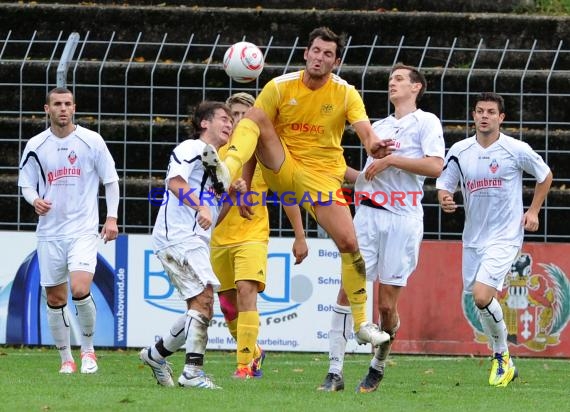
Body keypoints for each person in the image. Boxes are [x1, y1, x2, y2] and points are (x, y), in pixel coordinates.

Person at [201, 26, 391, 349]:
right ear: (306, 54)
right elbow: (253, 131)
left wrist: (373, 143)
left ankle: (361, 324)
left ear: (336, 61)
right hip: (283, 165)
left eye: (327, 54)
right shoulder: (278, 86)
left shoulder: (345, 93)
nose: (320, 57)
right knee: (258, 119)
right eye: (315, 51)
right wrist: (242, 183)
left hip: (322, 179)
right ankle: (225, 169)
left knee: (349, 242)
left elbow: (364, 130)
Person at [318, 65, 446, 392]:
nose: (392, 82)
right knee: (348, 289)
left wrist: (392, 160)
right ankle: (334, 372)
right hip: (368, 216)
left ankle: (378, 361)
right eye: (391, 78)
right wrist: (329, 167)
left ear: (416, 87)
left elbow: (435, 166)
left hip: (403, 220)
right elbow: (365, 178)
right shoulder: (377, 127)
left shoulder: (426, 122)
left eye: (400, 79)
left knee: (386, 307)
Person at [436, 92, 552, 387]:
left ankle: (500, 356)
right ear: (473, 116)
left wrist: (533, 211)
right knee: (480, 300)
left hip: (506, 235)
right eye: (479, 111)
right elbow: (445, 184)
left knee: (482, 295)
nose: (484, 116)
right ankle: (506, 361)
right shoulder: (460, 150)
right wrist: (445, 198)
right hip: (474, 238)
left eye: (490, 112)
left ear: (501, 118)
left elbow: (545, 174)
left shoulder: (515, 149)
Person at [139, 101, 244, 389]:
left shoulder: (215, 164)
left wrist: (231, 196)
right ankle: (192, 373)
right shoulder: (190, 148)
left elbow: (214, 216)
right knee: (204, 301)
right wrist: (200, 207)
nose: (229, 124)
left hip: (194, 239)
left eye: (231, 121)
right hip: (178, 236)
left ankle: (155, 355)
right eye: (223, 118)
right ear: (204, 123)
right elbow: (174, 182)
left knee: (200, 306)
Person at [18, 87, 120, 374]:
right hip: (50, 232)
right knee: (55, 298)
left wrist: (111, 218)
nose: (62, 108)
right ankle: (66, 358)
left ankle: (88, 352)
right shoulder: (36, 145)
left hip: (83, 229)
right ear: (46, 109)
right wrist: (34, 199)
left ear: (74, 108)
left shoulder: (91, 141)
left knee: (79, 288)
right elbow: (25, 183)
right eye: (57, 104)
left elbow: (110, 180)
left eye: (67, 104)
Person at [211, 93, 308, 379]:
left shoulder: (265, 154)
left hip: (252, 233)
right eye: (234, 116)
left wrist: (300, 235)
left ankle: (244, 367)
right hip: (218, 237)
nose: (240, 121)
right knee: (228, 306)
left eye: (245, 115)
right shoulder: (218, 154)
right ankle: (254, 350)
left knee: (246, 291)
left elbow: (288, 195)